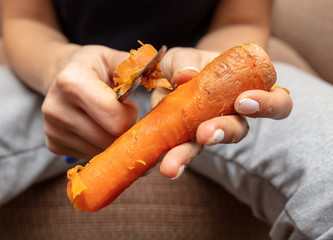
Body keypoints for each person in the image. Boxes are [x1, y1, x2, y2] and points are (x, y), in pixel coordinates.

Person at [0, 0, 332, 239]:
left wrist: (214, 77)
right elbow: (25, 18)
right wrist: (59, 64)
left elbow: (240, 19)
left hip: (201, 76)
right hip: (61, 75)